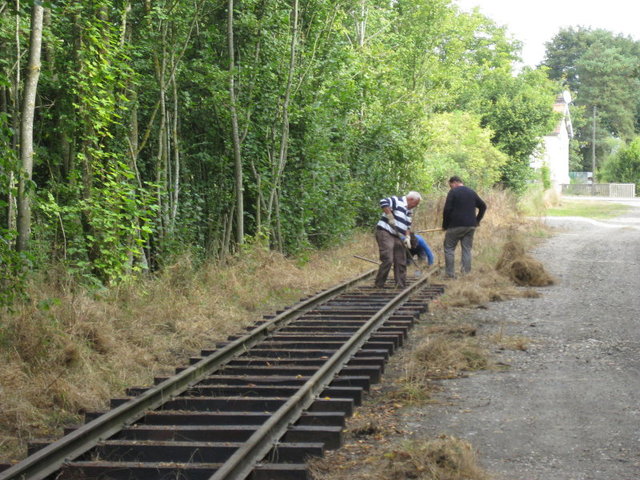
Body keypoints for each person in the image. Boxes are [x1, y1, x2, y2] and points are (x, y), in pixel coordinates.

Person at [374, 191, 422, 288]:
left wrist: (407, 237)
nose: (415, 206)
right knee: (388, 258)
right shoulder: (397, 200)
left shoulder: (409, 211)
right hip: (385, 232)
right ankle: (379, 284)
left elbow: (408, 226)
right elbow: (383, 202)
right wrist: (390, 216)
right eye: (415, 204)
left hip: (398, 236)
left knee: (401, 259)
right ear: (411, 199)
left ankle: (400, 285)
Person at [442, 176, 486, 278]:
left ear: (455, 182)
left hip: (455, 226)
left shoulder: (453, 192)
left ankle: (450, 275)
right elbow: (483, 206)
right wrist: (477, 221)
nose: (450, 187)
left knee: (449, 248)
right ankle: (466, 275)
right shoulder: (471, 192)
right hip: (470, 226)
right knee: (466, 249)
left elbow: (447, 209)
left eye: (450, 185)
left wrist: (445, 225)